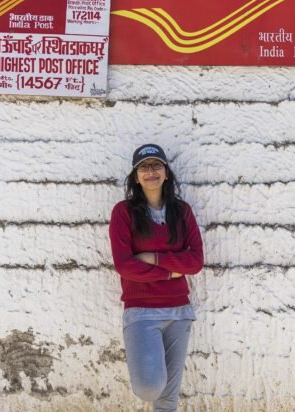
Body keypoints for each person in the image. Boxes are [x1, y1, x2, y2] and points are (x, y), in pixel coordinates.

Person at [109, 143, 204, 412]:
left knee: (167, 401)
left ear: (166, 173)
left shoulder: (182, 211)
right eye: (143, 167)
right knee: (149, 386)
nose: (150, 171)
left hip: (180, 312)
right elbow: (124, 265)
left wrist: (153, 258)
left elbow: (195, 261)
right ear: (136, 177)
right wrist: (174, 269)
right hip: (141, 313)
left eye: (156, 165)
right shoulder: (123, 212)